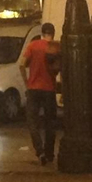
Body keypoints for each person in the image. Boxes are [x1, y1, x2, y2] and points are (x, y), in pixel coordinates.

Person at [21, 22, 61, 166]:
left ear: (42, 33)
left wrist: (27, 82)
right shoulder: (56, 47)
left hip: (33, 89)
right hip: (49, 89)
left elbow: (22, 64)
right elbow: (60, 68)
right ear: (53, 33)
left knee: (32, 121)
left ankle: (40, 151)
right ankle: (49, 152)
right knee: (50, 122)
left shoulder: (33, 45)